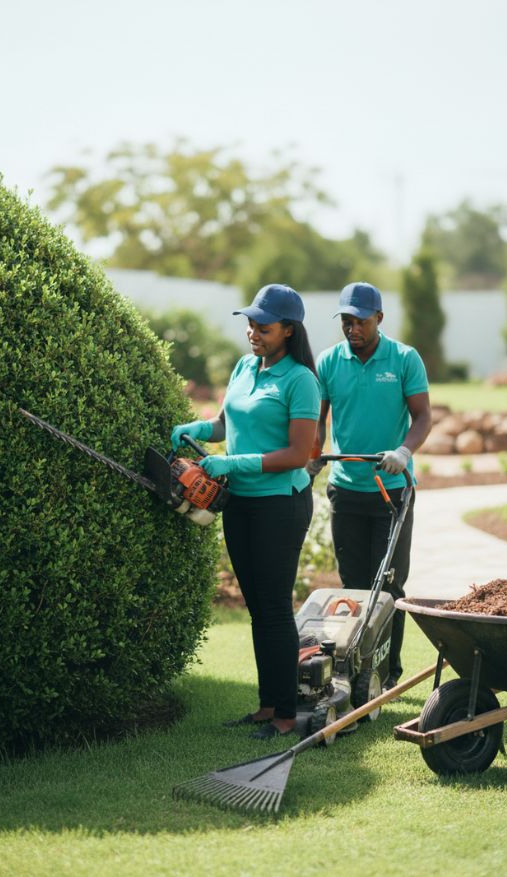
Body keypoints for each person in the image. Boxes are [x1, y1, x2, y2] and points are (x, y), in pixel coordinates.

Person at [170, 284, 320, 739]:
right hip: (241, 504)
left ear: (288, 330)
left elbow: (298, 454)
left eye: (263, 326)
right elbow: (226, 422)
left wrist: (232, 462)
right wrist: (199, 426)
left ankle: (287, 715)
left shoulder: (301, 381)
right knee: (257, 607)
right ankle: (266, 705)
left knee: (274, 608)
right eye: (250, 323)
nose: (253, 331)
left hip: (280, 505)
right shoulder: (245, 366)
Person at [308, 281, 431, 689]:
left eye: (360, 320)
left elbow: (422, 418)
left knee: (390, 584)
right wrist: (311, 457)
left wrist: (404, 452)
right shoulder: (328, 362)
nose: (352, 328)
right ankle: (357, 667)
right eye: (346, 320)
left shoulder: (404, 359)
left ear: (379, 318)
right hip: (346, 489)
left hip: (391, 492)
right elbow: (317, 420)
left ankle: (388, 672)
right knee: (355, 583)